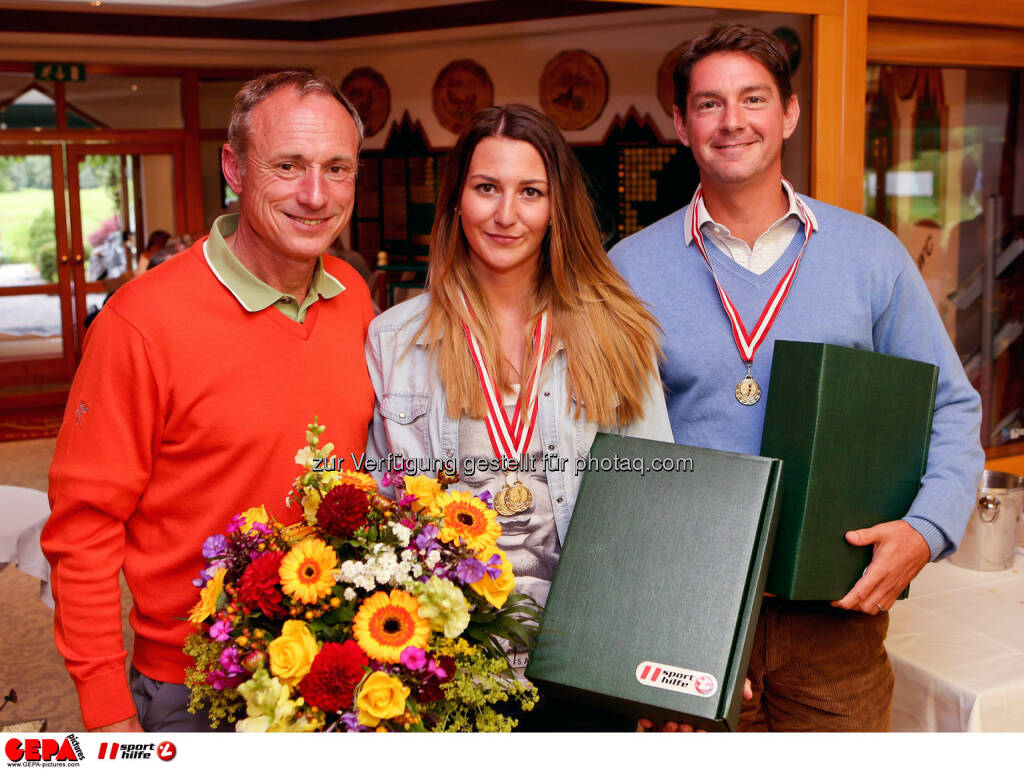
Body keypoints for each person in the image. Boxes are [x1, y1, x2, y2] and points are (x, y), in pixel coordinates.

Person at [610, 24, 984, 732]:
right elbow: (606, 447)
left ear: (789, 113)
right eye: (709, 103)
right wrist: (637, 630)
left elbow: (952, 407)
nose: (732, 121)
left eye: (753, 98)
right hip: (690, 614)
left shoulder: (870, 254)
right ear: (683, 123)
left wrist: (926, 528)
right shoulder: (629, 269)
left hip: (836, 614)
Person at [42, 71, 376, 733]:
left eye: (337, 168)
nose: (316, 194)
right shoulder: (141, 323)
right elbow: (82, 531)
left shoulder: (354, 295)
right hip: (191, 687)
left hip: (338, 665)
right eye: (288, 165)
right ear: (234, 168)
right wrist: (107, 709)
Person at [365, 104, 673, 730]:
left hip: (586, 659)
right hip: (450, 666)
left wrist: (660, 660)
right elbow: (384, 512)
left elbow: (655, 507)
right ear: (455, 201)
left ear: (556, 207)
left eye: (530, 192)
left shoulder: (619, 334)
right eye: (486, 188)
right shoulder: (394, 340)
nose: (506, 215)